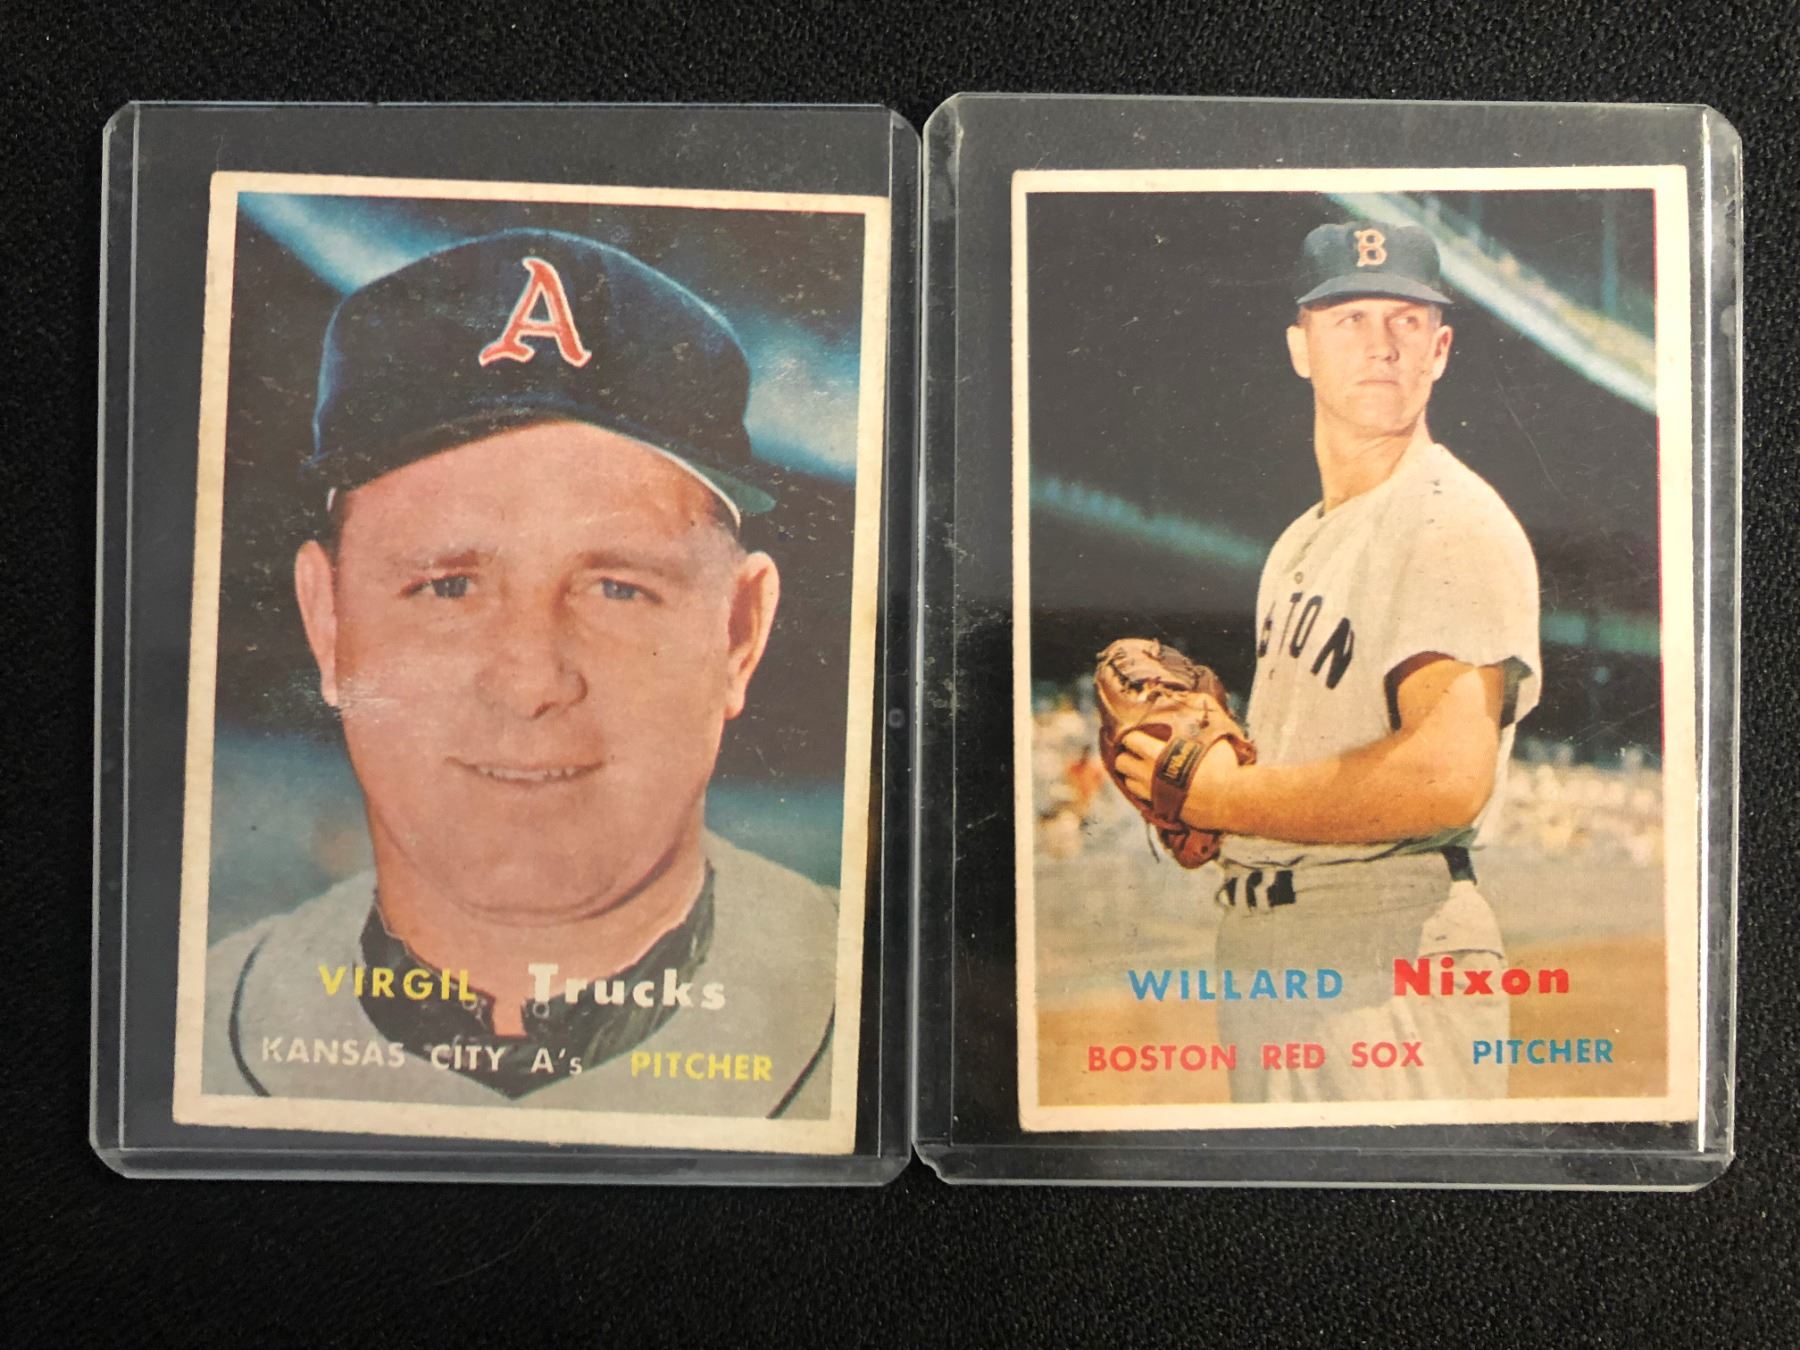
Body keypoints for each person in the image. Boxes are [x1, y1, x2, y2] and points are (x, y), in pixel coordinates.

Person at [201, 229, 839, 1120]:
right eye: (447, 586)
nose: (530, 682)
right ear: (328, 620)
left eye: (618, 588)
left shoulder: (896, 1025)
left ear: (739, 633)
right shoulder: (187, 1042)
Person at [1114, 222, 1541, 1103]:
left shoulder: (1448, 517)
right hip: (1268, 946)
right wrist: (1218, 818)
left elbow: (1444, 779)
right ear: (1300, 348)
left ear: (1440, 351)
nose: (1381, 344)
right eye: (1349, 319)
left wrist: (1219, 798)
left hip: (1386, 946)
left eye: (1407, 321)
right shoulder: (1296, 544)